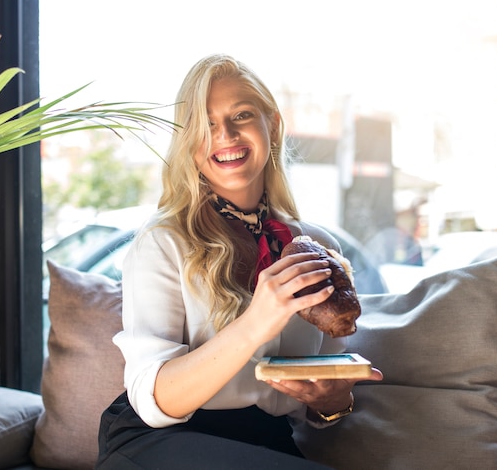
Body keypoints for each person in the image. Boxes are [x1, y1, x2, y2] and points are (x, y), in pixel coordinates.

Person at [95, 55, 383, 469]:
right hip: (161, 442)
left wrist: (333, 401)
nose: (224, 135)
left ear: (273, 125)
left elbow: (320, 400)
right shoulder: (163, 242)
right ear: (188, 142)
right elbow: (153, 400)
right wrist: (256, 322)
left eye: (241, 115)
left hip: (268, 443)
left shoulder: (317, 245)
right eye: (205, 123)